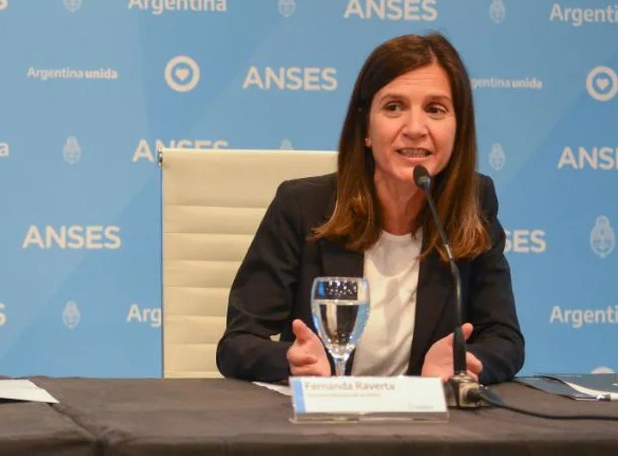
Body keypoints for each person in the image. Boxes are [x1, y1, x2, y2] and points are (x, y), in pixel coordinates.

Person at [217, 32, 524, 384]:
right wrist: (292, 361)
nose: (415, 128)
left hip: (426, 418)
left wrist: (463, 362)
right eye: (394, 107)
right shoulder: (302, 207)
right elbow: (237, 342)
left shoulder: (475, 202)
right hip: (323, 416)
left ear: (459, 129)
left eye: (435, 109)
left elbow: (504, 338)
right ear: (365, 127)